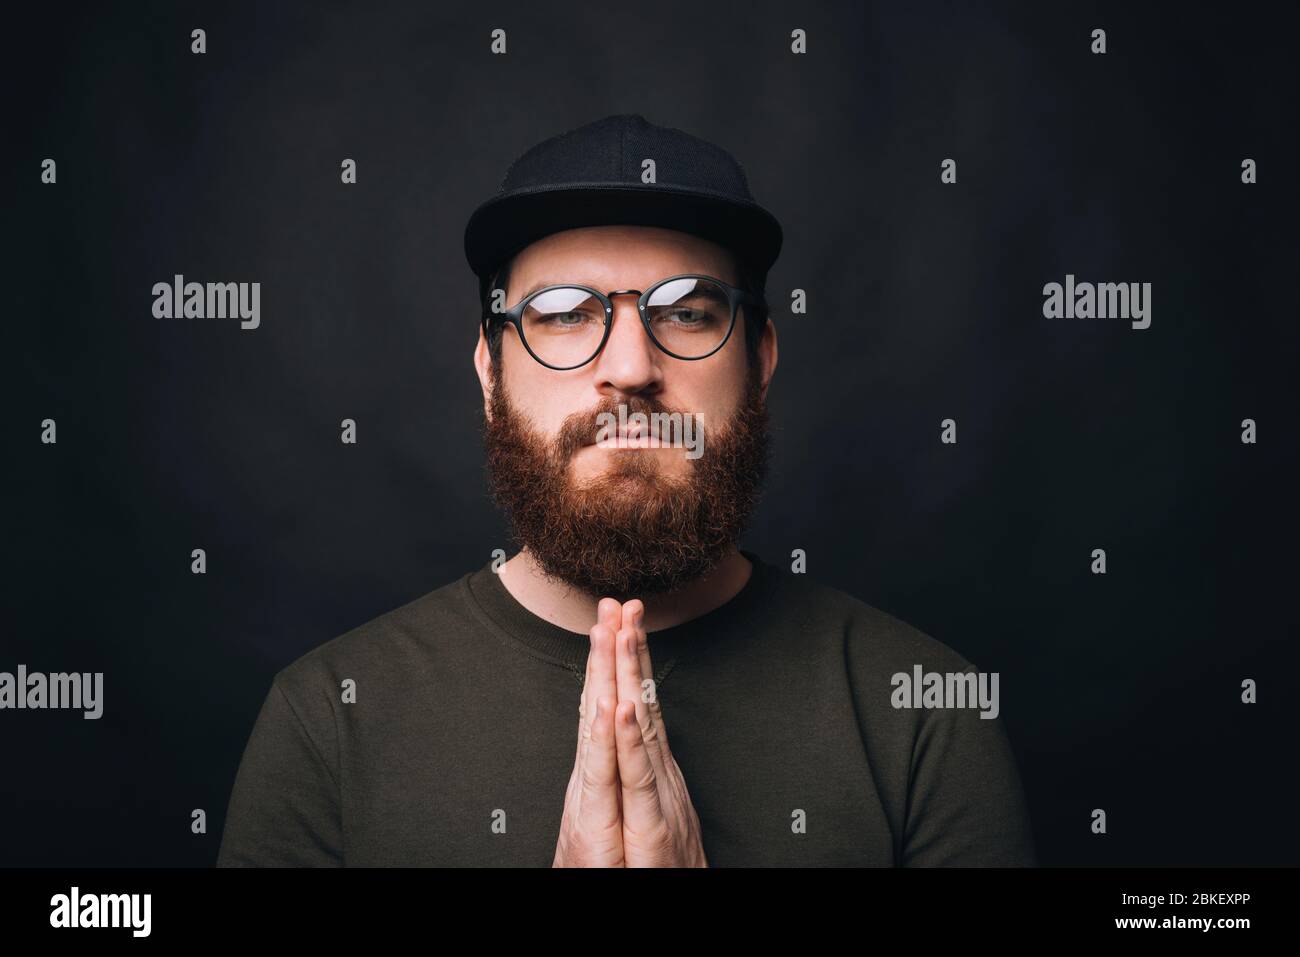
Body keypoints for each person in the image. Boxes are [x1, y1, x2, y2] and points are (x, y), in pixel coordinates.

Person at [216, 113, 1036, 867]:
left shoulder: (925, 717)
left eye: (685, 311)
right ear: (489, 372)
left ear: (762, 360)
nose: (630, 368)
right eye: (565, 312)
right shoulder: (326, 721)